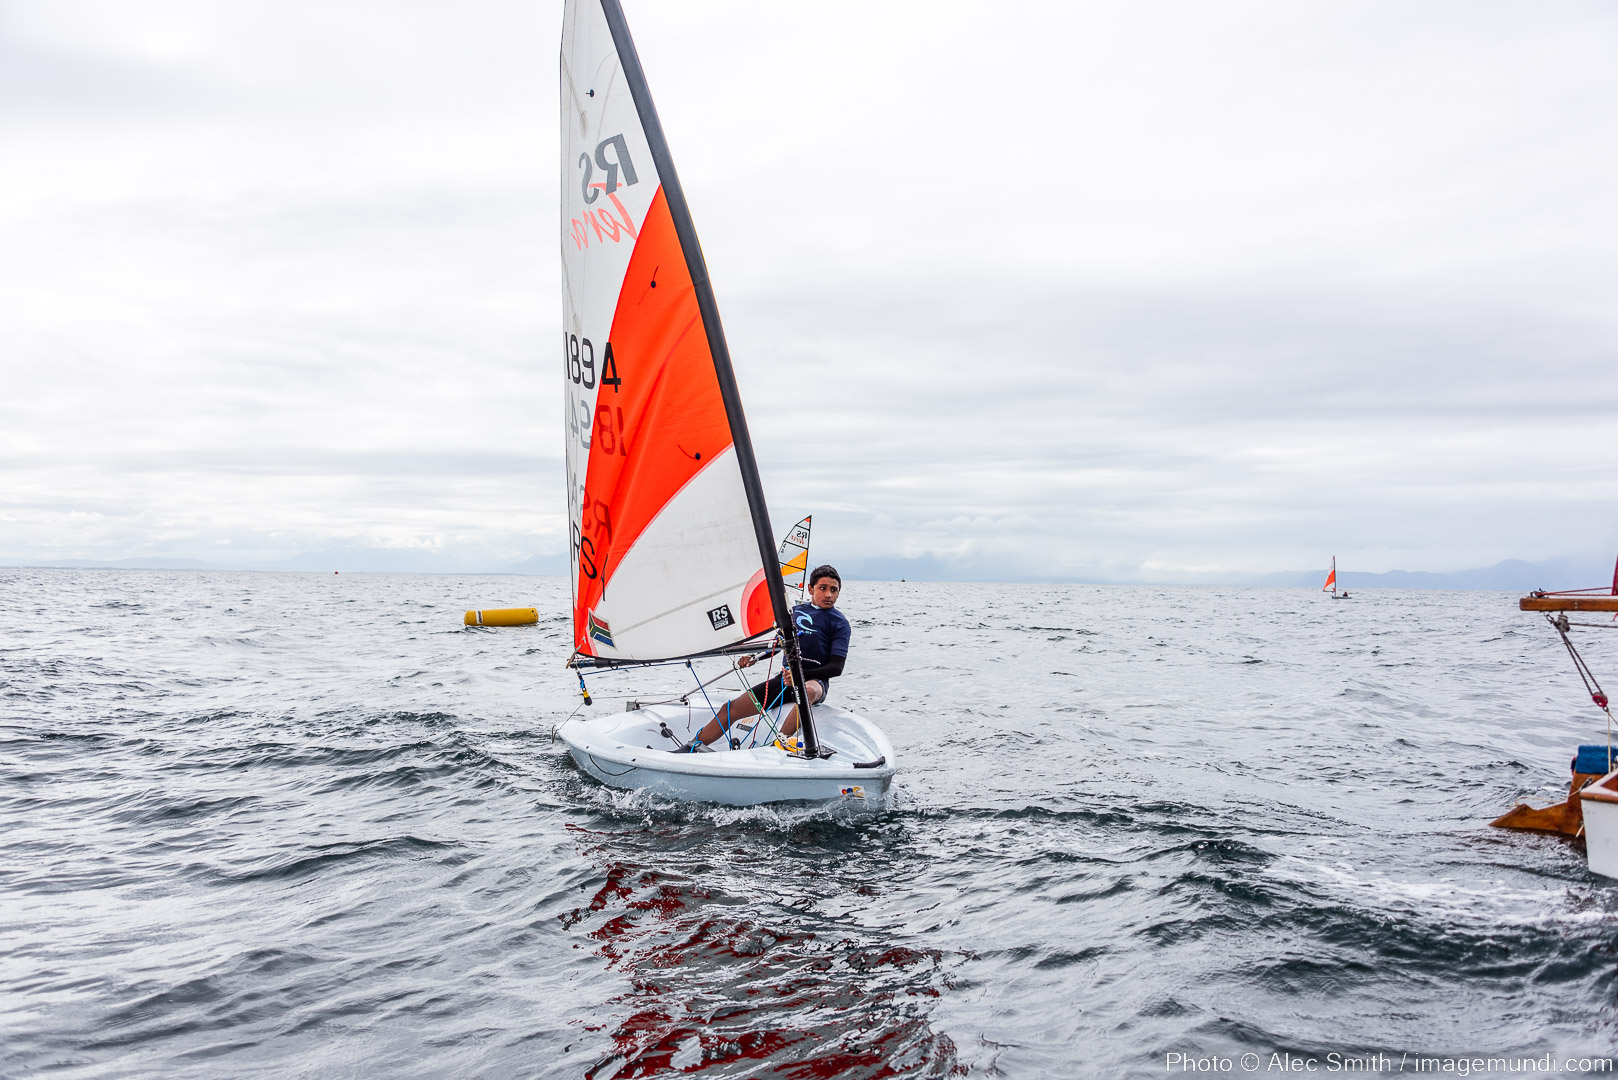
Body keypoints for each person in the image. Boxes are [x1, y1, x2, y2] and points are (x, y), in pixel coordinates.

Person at [677, 565, 850, 752]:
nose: (828, 594)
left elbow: (836, 667)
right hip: (785, 680)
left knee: (807, 690)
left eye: (834, 590)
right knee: (730, 709)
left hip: (815, 682)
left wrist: (799, 675)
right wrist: (754, 657)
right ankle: (689, 749)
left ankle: (779, 744)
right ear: (810, 589)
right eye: (823, 588)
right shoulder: (794, 612)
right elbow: (777, 644)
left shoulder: (839, 623)